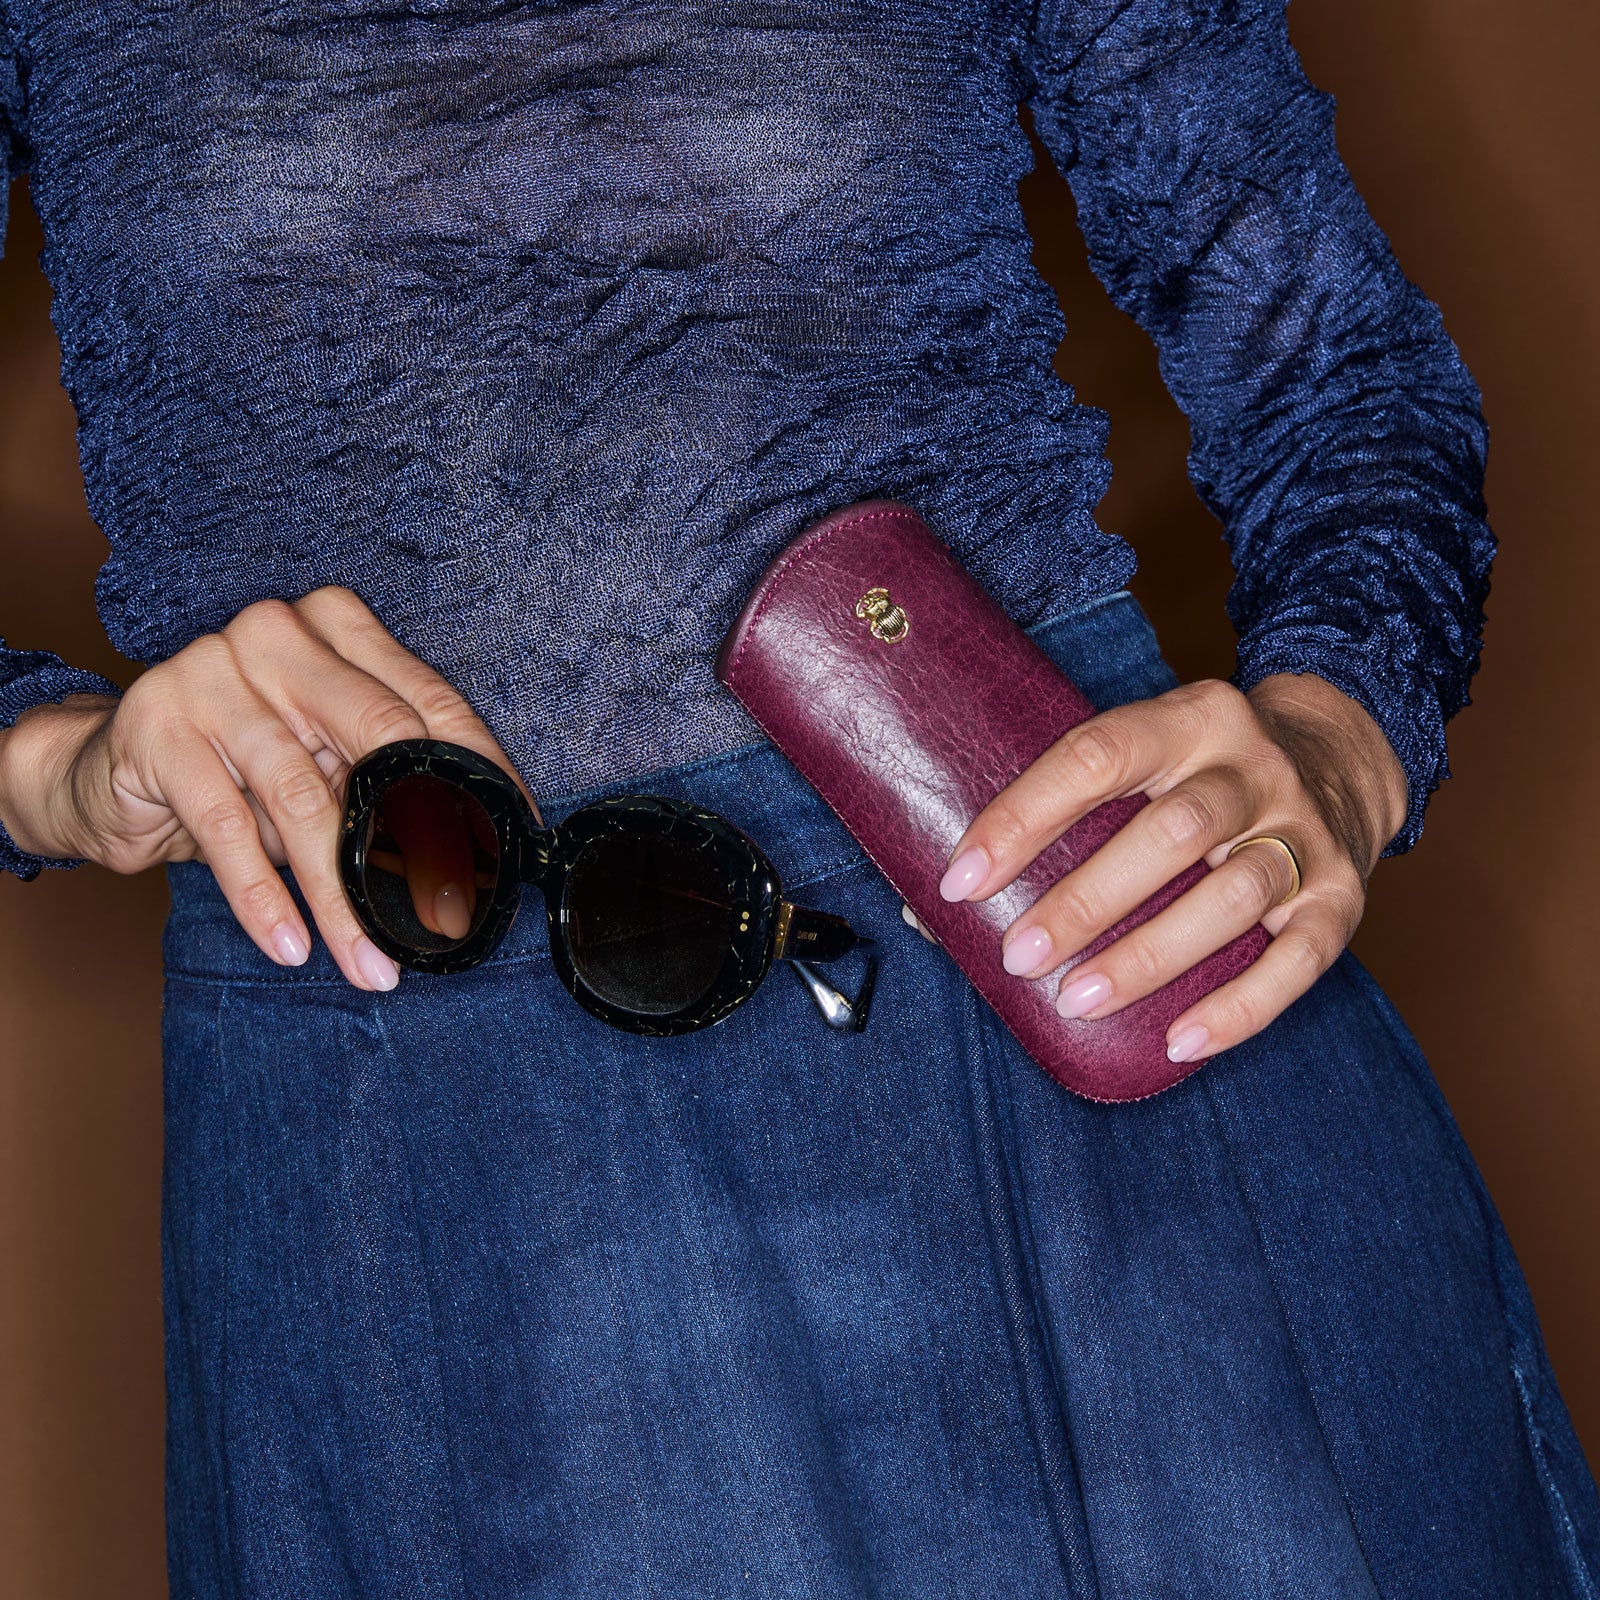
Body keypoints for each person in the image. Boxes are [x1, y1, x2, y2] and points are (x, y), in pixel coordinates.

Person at [1, 0, 1595, 1593]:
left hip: (1076, 981)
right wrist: (51, 764)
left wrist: (1332, 738)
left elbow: (1344, 372)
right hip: (438, 1147)